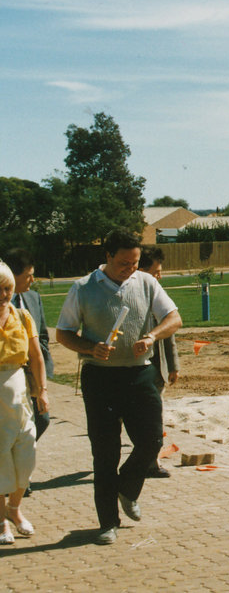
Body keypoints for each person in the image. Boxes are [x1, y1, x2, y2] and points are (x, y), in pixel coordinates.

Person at [56, 228, 182, 545]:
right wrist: (89, 348)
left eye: (135, 262)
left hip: (140, 374)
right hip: (100, 377)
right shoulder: (83, 288)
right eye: (124, 263)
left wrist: (153, 336)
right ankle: (106, 523)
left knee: (151, 441)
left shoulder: (147, 283)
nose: (130, 269)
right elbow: (64, 333)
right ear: (108, 256)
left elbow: (174, 318)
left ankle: (128, 487)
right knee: (105, 453)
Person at [0, 261, 48, 545]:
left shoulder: (22, 315)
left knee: (26, 453)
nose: (4, 295)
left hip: (19, 395)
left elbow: (37, 356)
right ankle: (2, 521)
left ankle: (15, 507)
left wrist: (42, 390)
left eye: (7, 288)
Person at [3, 249, 55, 494]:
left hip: (32, 375)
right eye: (28, 275)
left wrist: (42, 368)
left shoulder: (33, 298)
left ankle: (19, 466)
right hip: (9, 378)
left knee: (41, 420)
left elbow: (42, 335)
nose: (32, 280)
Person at [138, 246, 179, 478]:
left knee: (155, 418)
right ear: (142, 271)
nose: (160, 277)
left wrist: (173, 366)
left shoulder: (159, 295)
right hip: (134, 369)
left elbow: (170, 331)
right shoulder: (132, 294)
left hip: (156, 369)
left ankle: (151, 463)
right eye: (156, 272)